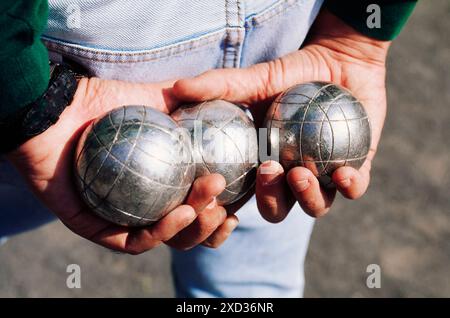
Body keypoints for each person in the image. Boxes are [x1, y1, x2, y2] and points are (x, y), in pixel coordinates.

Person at [0, 0, 417, 297]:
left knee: (248, 289)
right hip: (62, 67)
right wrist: (20, 91)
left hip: (283, 79)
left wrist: (359, 31)